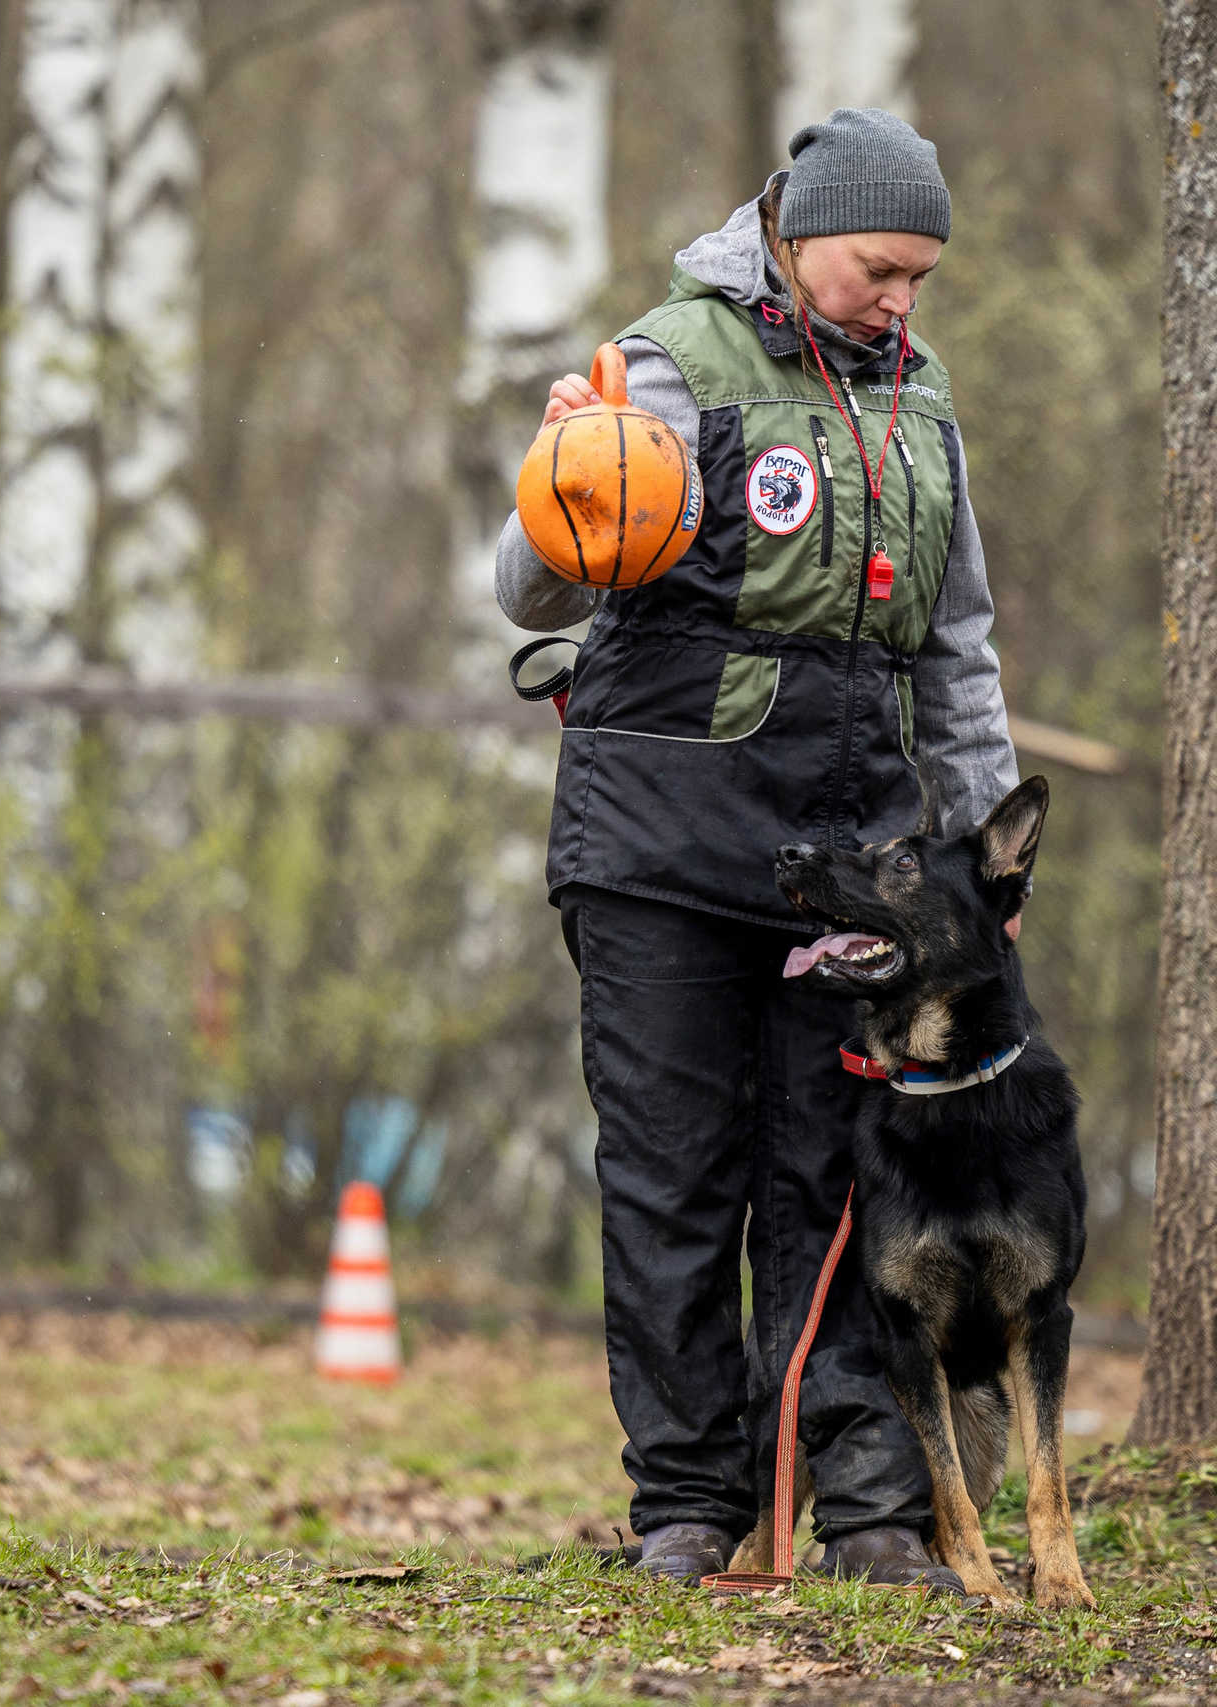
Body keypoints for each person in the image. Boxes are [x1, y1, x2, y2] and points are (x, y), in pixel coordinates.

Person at [491, 108, 1016, 1590]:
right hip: (655, 847)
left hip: (848, 863)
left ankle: (864, 1510)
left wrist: (979, 856)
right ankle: (686, 1505)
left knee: (835, 1183)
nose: (901, 299)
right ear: (794, 235)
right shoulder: (663, 360)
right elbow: (526, 591)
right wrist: (562, 487)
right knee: (671, 1179)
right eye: (877, 267)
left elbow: (959, 648)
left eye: (920, 275)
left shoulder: (922, 400)